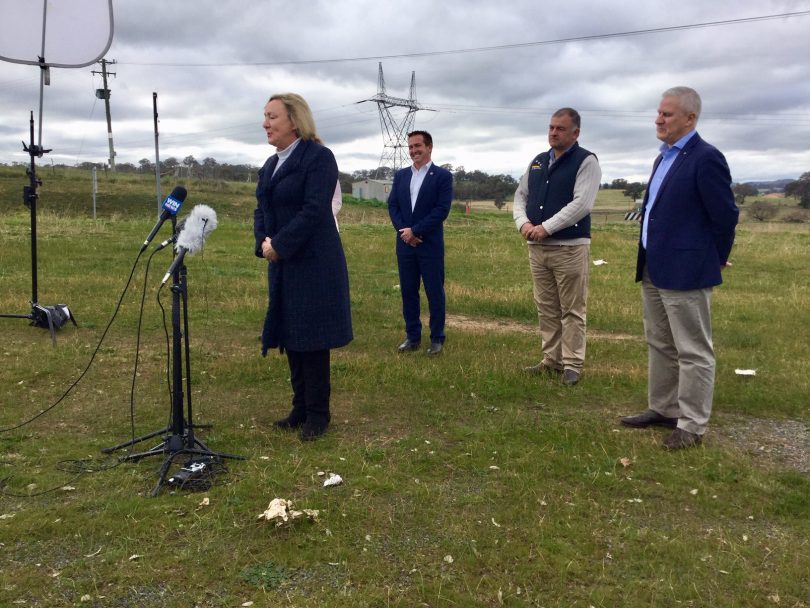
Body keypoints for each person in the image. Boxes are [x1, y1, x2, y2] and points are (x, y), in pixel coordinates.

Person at [620, 86, 739, 450]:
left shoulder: (706, 158)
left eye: (667, 114)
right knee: (660, 342)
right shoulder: (663, 158)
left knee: (692, 349)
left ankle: (692, 424)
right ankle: (664, 407)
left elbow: (725, 215)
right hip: (655, 266)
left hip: (687, 269)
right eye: (658, 113)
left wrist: (714, 256)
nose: (659, 119)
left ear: (690, 118)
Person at [253, 92, 352, 441]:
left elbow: (314, 211)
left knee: (312, 338)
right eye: (265, 116)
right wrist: (264, 242)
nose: (265, 123)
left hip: (313, 263)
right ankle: (299, 408)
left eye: (272, 117)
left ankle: (318, 415)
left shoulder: (319, 158)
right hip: (282, 263)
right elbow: (261, 208)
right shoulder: (270, 164)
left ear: (294, 120)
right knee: (292, 335)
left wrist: (279, 245)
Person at [513, 108, 601, 386]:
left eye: (560, 128)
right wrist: (523, 224)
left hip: (569, 247)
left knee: (572, 309)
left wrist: (546, 227)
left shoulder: (586, 161)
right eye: (551, 127)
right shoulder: (538, 162)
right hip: (537, 248)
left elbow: (582, 204)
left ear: (576, 133)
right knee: (546, 306)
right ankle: (552, 360)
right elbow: (520, 196)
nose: (553, 132)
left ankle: (572, 364)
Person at [387, 130, 453, 355]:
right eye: (411, 147)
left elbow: (441, 210)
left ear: (429, 147)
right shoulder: (401, 176)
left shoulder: (442, 176)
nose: (414, 150)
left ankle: (437, 338)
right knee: (408, 291)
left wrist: (416, 231)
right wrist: (405, 232)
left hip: (430, 244)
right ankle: (412, 336)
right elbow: (393, 206)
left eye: (418, 146)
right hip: (405, 245)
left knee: (434, 291)